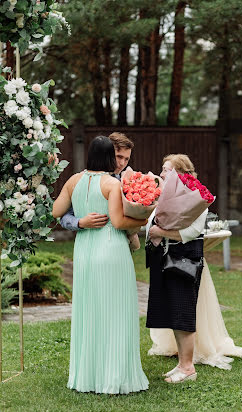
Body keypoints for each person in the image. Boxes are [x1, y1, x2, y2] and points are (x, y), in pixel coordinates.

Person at [52, 136, 149, 394]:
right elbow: (118, 222)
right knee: (116, 312)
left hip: (84, 251)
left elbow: (56, 210)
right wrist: (142, 221)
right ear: (109, 157)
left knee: (89, 312)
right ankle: (114, 376)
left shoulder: (73, 181)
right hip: (111, 249)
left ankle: (88, 377)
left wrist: (82, 220)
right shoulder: (111, 184)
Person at [146, 154, 208, 384]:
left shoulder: (196, 198)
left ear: (181, 173)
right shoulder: (165, 196)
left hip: (185, 261)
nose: (161, 174)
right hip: (164, 260)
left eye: (166, 170)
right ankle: (182, 364)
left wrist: (161, 233)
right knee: (173, 312)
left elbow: (192, 233)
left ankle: (188, 368)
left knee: (183, 313)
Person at [60, 132, 133, 231]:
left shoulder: (125, 183)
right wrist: (80, 222)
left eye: (126, 159)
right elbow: (63, 216)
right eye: (119, 157)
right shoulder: (82, 181)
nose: (122, 163)